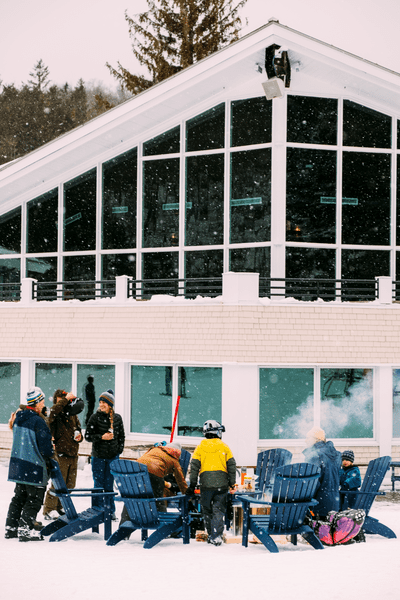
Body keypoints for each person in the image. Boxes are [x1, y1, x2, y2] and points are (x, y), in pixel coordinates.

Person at [5, 387, 54, 541]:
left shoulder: (19, 416)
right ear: (37, 402)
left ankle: (11, 528)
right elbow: (46, 449)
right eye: (43, 402)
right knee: (34, 500)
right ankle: (25, 531)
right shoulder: (38, 421)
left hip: (19, 465)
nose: (44, 405)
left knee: (19, 497)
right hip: (34, 466)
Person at [186, 419, 236, 546]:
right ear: (218, 432)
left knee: (207, 510)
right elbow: (231, 465)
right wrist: (232, 483)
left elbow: (194, 467)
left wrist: (192, 485)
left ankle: (210, 533)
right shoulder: (224, 446)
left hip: (206, 485)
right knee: (218, 510)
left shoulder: (200, 447)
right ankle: (217, 535)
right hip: (221, 484)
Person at [120, 442, 187, 523]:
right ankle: (162, 526)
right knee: (158, 500)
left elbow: (143, 458)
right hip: (154, 473)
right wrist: (187, 495)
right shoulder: (174, 459)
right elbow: (181, 480)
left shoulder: (154, 449)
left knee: (132, 498)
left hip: (135, 470)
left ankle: (124, 525)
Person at [42, 389, 84, 519]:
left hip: (73, 453)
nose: (63, 404)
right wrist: (65, 400)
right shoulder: (54, 414)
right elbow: (51, 413)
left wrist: (79, 436)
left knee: (70, 485)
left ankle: (59, 507)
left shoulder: (72, 414)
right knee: (58, 483)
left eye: (65, 401)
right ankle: (49, 509)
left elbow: (78, 428)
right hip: (60, 453)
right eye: (60, 401)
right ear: (56, 401)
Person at [85, 390, 125, 519]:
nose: (101, 404)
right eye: (100, 402)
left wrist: (118, 450)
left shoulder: (117, 418)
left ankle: (110, 510)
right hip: (98, 457)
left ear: (110, 405)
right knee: (98, 484)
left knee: (109, 485)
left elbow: (121, 437)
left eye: (104, 402)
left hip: (112, 457)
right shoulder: (94, 417)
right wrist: (101, 437)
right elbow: (88, 436)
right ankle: (97, 510)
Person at [302, 426, 341, 519]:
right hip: (334, 504)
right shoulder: (335, 455)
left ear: (316, 439)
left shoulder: (315, 455)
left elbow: (312, 484)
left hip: (317, 505)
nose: (305, 441)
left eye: (308, 438)